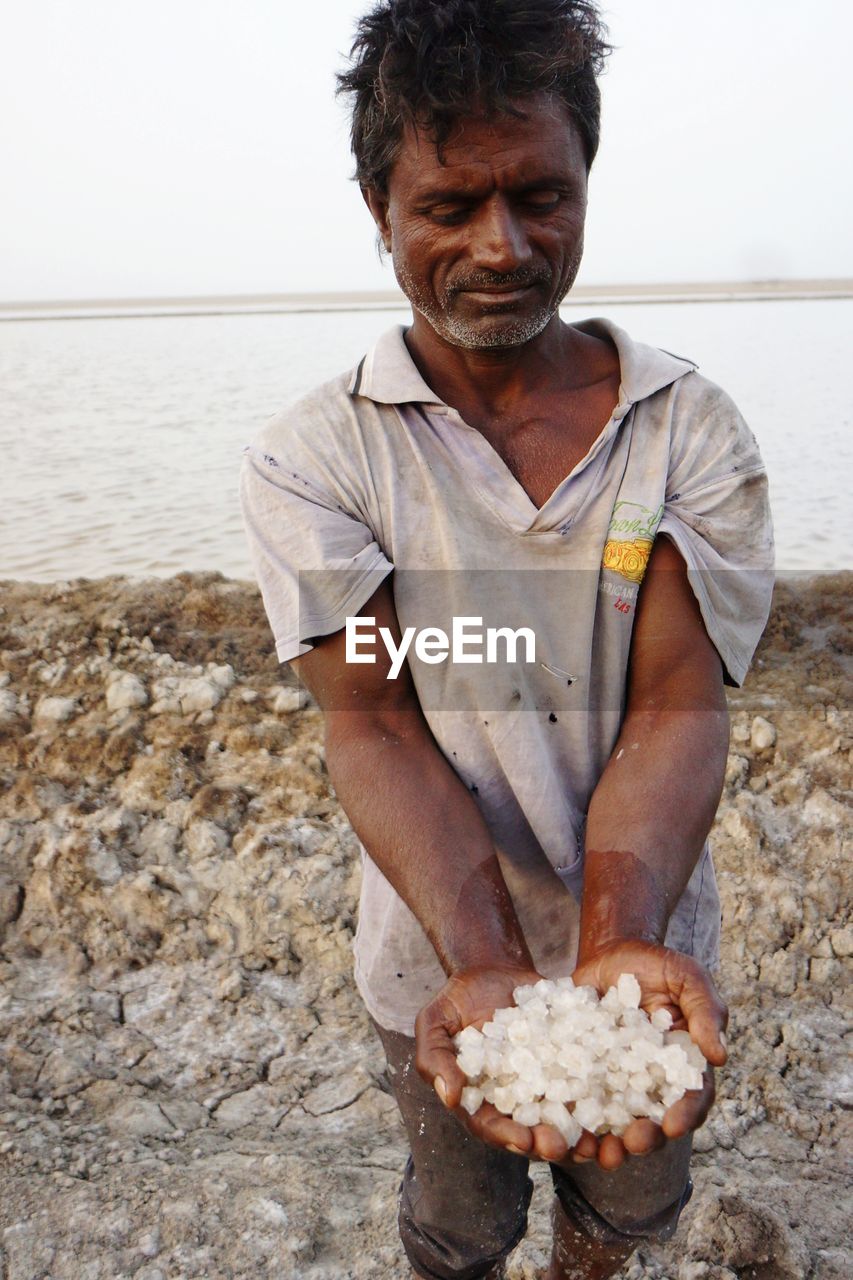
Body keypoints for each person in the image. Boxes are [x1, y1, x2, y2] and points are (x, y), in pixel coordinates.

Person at [240, 1, 774, 1275]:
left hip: (648, 956)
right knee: (462, 1208)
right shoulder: (320, 457)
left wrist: (616, 946)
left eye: (542, 195)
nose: (502, 245)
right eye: (448, 207)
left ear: (586, 180)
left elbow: (674, 704)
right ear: (378, 206)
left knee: (626, 1199)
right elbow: (370, 716)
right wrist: (480, 963)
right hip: (430, 951)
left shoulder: (684, 429)